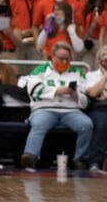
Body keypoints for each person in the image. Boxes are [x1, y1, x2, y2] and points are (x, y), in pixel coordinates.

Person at [21, 42, 91, 170]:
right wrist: (59, 91)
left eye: (67, 59)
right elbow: (33, 89)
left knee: (86, 124)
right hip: (44, 109)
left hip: (71, 110)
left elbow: (86, 100)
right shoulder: (40, 69)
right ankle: (30, 156)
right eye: (60, 58)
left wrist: (76, 95)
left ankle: (79, 159)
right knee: (39, 123)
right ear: (52, 56)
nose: (64, 61)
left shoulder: (78, 73)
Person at [85, 46, 107, 172]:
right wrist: (105, 76)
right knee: (102, 124)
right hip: (99, 108)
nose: (106, 57)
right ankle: (94, 162)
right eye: (104, 55)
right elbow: (93, 93)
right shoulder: (91, 75)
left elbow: (100, 93)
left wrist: (103, 94)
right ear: (98, 60)